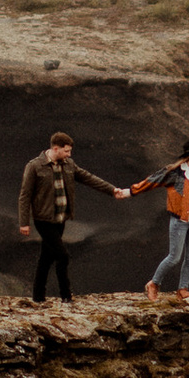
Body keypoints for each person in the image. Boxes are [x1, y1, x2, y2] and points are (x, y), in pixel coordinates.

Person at [15, 128, 129, 304]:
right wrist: (24, 222)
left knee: (46, 257)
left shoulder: (68, 165)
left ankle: (38, 297)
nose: (69, 154)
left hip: (61, 218)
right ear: (56, 149)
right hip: (43, 219)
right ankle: (66, 296)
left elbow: (88, 178)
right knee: (62, 255)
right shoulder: (35, 166)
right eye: (66, 151)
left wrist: (112, 189)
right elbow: (25, 195)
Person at [132, 137, 189, 299]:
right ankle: (154, 283)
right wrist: (130, 191)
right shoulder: (176, 172)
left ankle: (183, 289)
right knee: (174, 257)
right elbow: (152, 181)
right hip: (179, 221)